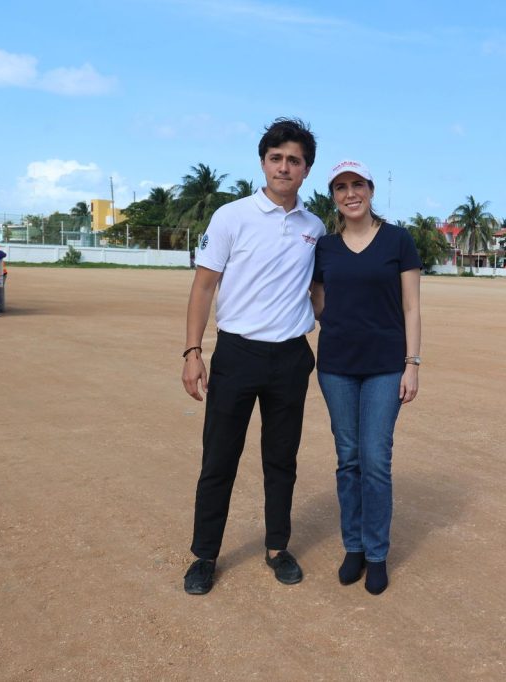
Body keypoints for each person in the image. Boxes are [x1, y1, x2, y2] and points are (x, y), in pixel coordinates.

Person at [180, 117, 325, 595]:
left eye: (295, 160)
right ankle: (204, 555)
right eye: (276, 158)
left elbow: (320, 295)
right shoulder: (231, 216)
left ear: (307, 170)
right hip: (237, 354)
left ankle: (277, 547)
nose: (284, 167)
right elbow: (203, 287)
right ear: (263, 163)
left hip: (290, 358)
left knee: (281, 460)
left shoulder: (315, 227)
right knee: (219, 458)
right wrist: (193, 351)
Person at [310, 159, 422, 595]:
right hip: (336, 367)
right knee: (349, 458)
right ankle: (352, 547)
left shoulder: (398, 240)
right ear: (334, 197)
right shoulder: (325, 248)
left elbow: (412, 306)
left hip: (385, 367)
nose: (350, 193)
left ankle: (376, 554)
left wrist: (413, 362)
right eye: (341, 187)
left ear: (371, 190)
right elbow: (318, 297)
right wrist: (337, 324)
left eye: (357, 184)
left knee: (375, 459)